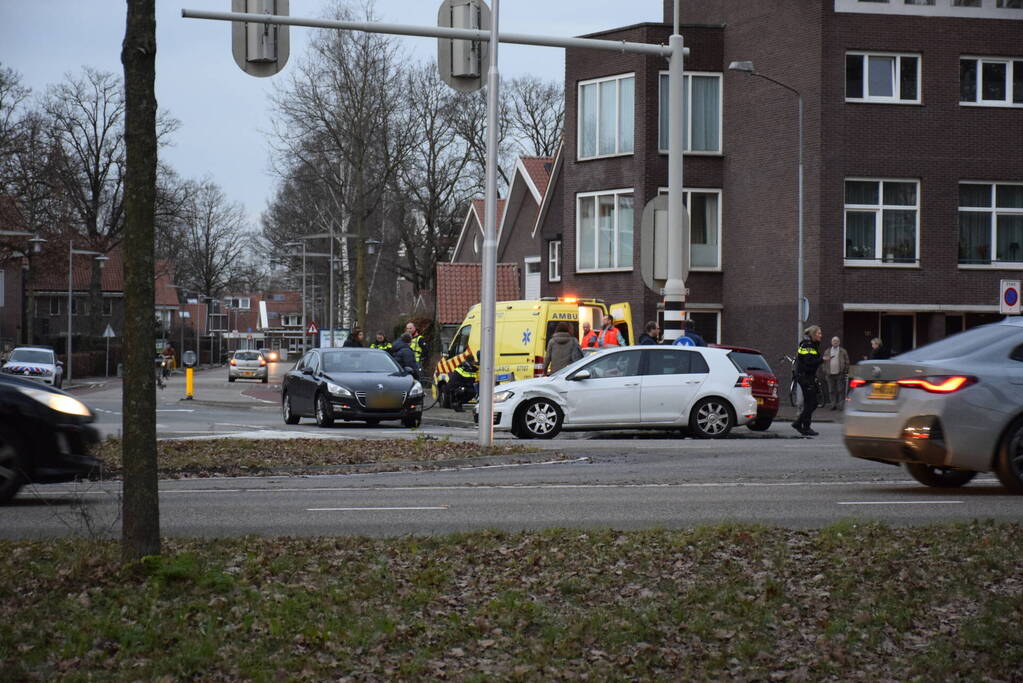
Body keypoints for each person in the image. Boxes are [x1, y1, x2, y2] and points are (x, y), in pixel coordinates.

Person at [792, 324, 824, 437]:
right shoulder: (808, 345)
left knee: (809, 402)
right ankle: (799, 423)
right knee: (813, 402)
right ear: (813, 334)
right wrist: (822, 360)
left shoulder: (811, 345)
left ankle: (805, 426)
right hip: (805, 377)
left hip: (807, 376)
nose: (821, 335)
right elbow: (808, 362)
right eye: (819, 333)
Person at [823, 336, 850, 410]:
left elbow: (847, 361)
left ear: (839, 342)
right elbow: (824, 362)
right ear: (831, 342)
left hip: (839, 373)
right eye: (834, 341)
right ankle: (833, 405)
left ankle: (841, 405)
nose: (835, 342)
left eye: (836, 341)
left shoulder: (843, 351)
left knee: (840, 390)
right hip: (829, 374)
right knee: (831, 390)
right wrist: (825, 370)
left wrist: (845, 370)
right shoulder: (827, 351)